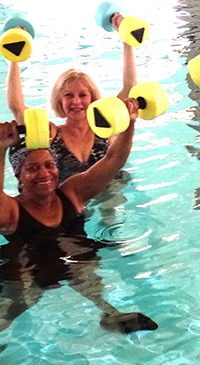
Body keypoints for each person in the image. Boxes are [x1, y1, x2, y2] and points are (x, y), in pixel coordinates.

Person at [0, 102, 157, 334]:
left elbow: (114, 160)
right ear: (18, 175)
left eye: (49, 165)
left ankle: (109, 313)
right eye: (32, 168)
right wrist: (1, 148)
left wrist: (130, 122)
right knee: (13, 309)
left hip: (74, 260)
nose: (44, 173)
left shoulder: (72, 193)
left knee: (85, 267)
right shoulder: (12, 211)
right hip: (26, 272)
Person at [6, 12, 138, 182]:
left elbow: (129, 87)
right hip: (70, 203)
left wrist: (126, 38)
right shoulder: (52, 134)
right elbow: (17, 107)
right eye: (68, 95)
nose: (76, 102)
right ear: (59, 101)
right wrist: (14, 56)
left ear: (92, 99)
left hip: (111, 197)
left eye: (83, 95)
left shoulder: (106, 128)